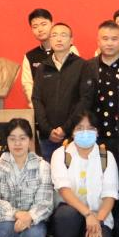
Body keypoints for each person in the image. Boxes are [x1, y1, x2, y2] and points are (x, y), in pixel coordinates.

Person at [51, 110, 119, 237]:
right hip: (71, 214)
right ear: (72, 132)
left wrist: (98, 220)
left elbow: (110, 195)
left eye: (90, 128)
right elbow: (64, 190)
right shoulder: (61, 154)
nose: (85, 132)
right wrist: (88, 215)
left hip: (98, 214)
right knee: (66, 215)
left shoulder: (106, 156)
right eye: (79, 128)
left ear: (97, 132)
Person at [78, 19, 119, 158]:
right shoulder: (88, 66)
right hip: (94, 136)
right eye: (105, 39)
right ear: (98, 41)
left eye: (114, 39)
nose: (109, 43)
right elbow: (82, 100)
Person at [32, 22, 86, 159]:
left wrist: (65, 128)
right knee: (49, 171)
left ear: (71, 40)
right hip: (48, 137)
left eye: (63, 35)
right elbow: (37, 99)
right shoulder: (43, 68)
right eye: (54, 35)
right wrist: (47, 129)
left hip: (74, 134)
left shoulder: (82, 66)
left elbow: (84, 100)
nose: (59, 39)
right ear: (50, 40)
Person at [22, 8, 56, 101]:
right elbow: (27, 85)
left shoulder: (69, 50)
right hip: (39, 106)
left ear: (52, 25)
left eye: (43, 24)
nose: (40, 29)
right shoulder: (29, 56)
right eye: (35, 26)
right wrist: (35, 104)